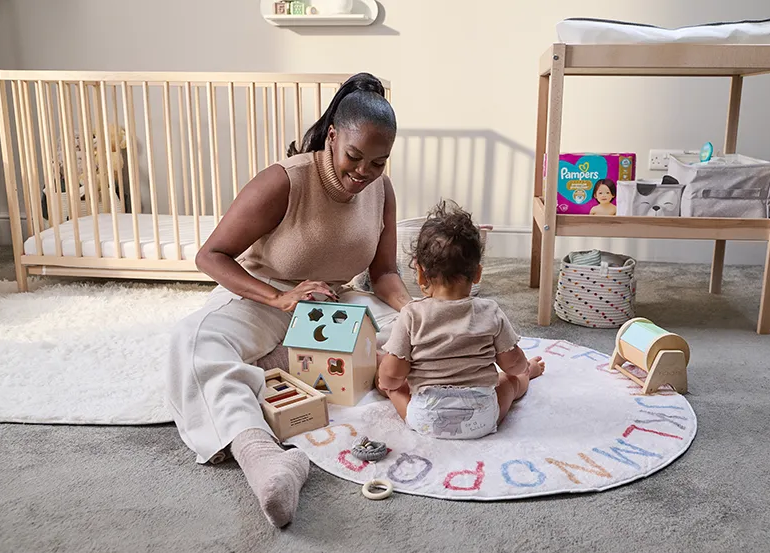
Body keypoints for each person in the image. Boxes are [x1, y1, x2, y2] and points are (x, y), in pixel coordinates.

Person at [166, 73, 412, 527]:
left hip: (334, 300)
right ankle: (264, 458)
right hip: (265, 295)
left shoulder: (382, 189)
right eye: (354, 157)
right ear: (333, 137)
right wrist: (280, 299)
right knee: (193, 341)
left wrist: (413, 312)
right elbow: (211, 255)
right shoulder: (284, 181)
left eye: (377, 163)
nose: (363, 173)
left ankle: (276, 364)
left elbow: (383, 274)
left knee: (412, 336)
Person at [377, 201, 545, 440]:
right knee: (509, 382)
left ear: (421, 273)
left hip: (427, 418)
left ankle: (397, 399)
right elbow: (513, 364)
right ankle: (529, 378)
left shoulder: (411, 315)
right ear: (477, 273)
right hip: (481, 418)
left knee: (395, 387)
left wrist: (388, 383)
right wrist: (524, 370)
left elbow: (394, 372)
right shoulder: (490, 311)